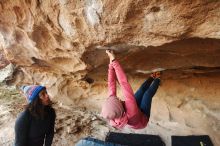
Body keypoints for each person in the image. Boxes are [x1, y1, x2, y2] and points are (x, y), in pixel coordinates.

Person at [101, 50, 161, 129]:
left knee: (141, 90)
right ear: (120, 107)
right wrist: (115, 61)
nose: (118, 98)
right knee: (147, 94)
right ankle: (158, 79)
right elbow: (123, 83)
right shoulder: (131, 112)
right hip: (142, 118)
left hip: (132, 111)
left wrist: (111, 62)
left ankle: (151, 77)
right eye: (118, 100)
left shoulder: (112, 110)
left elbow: (111, 83)